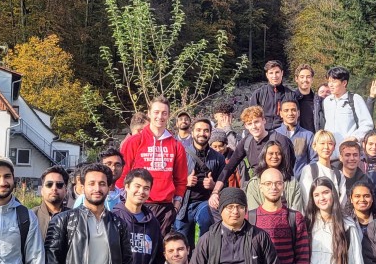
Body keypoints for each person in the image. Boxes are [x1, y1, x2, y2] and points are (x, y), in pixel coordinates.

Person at [118, 97, 187, 234]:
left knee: (159, 246)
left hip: (165, 207)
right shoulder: (134, 141)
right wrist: (124, 200)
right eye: (156, 112)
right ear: (149, 113)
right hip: (137, 204)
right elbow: (122, 173)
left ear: (168, 115)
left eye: (164, 113)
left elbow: (181, 179)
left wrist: (176, 205)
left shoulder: (176, 145)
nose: (160, 116)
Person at [213, 105, 298, 196]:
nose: (254, 126)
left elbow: (288, 169)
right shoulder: (246, 142)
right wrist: (215, 191)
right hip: (257, 187)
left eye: (256, 122)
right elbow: (229, 167)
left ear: (264, 120)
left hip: (279, 187)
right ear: (246, 126)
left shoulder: (280, 140)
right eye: (249, 124)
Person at [176, 117, 224, 250]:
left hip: (204, 202)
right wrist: (185, 181)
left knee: (207, 220)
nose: (202, 133)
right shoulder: (181, 154)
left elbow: (224, 183)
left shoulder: (218, 158)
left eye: (206, 130)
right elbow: (171, 178)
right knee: (182, 242)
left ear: (210, 133)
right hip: (183, 204)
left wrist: (214, 186)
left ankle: (202, 253)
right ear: (192, 132)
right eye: (198, 130)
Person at [320, 66, 373, 150]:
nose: (330, 85)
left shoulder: (355, 99)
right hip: (329, 151)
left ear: (344, 83)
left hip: (349, 151)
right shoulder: (327, 101)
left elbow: (367, 124)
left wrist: (354, 137)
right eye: (329, 81)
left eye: (334, 81)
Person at [245, 140, 304, 211]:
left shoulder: (292, 182)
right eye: (271, 153)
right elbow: (254, 212)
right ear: (264, 156)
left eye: (278, 153)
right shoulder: (254, 184)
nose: (275, 156)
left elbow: (297, 210)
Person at [248, 60, 299, 130]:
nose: (274, 76)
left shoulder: (290, 95)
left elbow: (296, 118)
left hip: (284, 132)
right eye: (271, 73)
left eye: (277, 72)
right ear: (267, 75)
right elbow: (251, 117)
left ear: (282, 73)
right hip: (263, 132)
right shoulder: (259, 94)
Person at [298, 130, 345, 202]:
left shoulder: (339, 174)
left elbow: (342, 200)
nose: (326, 147)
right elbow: (307, 198)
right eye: (322, 143)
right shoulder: (309, 170)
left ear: (334, 147)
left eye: (330, 143)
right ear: (314, 146)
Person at [275, 99, 314, 177]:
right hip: (279, 180)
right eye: (286, 110)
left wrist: (306, 176)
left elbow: (314, 159)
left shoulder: (308, 135)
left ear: (298, 113)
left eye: (293, 110)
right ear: (281, 114)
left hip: (302, 180)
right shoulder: (274, 135)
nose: (290, 113)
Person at [292, 63, 323, 134]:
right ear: (296, 79)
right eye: (302, 77)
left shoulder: (319, 101)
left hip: (314, 138)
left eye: (308, 77)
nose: (305, 80)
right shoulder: (291, 99)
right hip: (296, 138)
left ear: (312, 79)